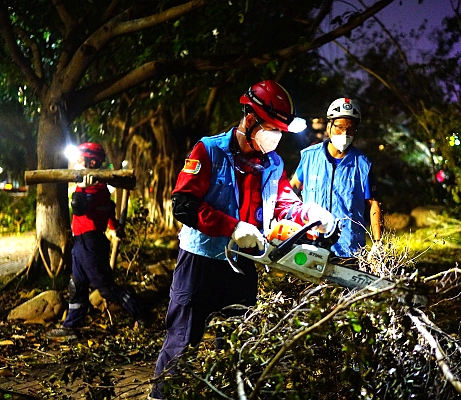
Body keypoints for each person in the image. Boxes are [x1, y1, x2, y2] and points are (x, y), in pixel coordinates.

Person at [149, 80, 334, 399]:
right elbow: (184, 204)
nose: (275, 137)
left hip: (244, 263)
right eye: (271, 128)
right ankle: (160, 396)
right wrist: (231, 227)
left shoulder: (273, 163)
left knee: (242, 344)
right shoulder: (209, 149)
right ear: (250, 120)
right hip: (200, 262)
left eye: (279, 131)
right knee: (181, 341)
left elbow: (284, 204)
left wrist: (310, 214)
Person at [47, 142, 147, 339]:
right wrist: (115, 227)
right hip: (81, 243)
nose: (77, 161)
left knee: (106, 288)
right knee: (77, 285)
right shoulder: (101, 189)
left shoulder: (95, 189)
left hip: (91, 244)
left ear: (92, 161)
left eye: (81, 158)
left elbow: (78, 208)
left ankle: (141, 315)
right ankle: (71, 327)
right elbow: (109, 210)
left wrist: (81, 190)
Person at [290, 98, 382, 262]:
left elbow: (373, 204)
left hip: (349, 251)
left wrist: (377, 243)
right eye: (339, 127)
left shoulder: (362, 164)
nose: (344, 134)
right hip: (311, 245)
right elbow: (292, 189)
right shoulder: (309, 157)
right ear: (329, 126)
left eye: (350, 129)